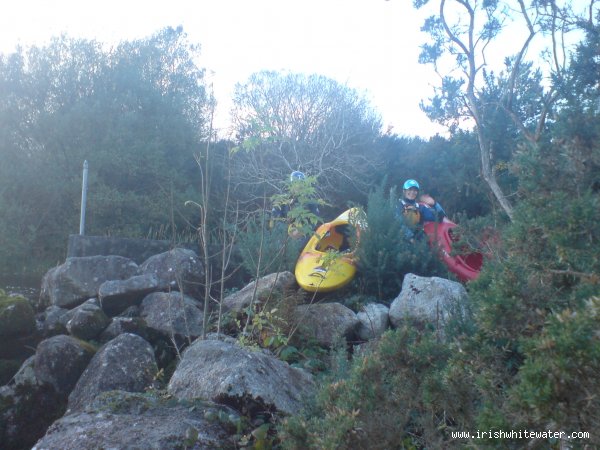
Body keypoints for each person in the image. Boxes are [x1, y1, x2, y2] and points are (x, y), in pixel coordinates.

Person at [270, 171, 321, 239]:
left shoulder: (310, 202)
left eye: (301, 184)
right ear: (291, 185)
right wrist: (287, 229)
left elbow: (314, 221)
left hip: (304, 237)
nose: (298, 186)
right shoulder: (282, 200)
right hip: (282, 238)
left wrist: (302, 230)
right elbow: (275, 218)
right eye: (295, 183)